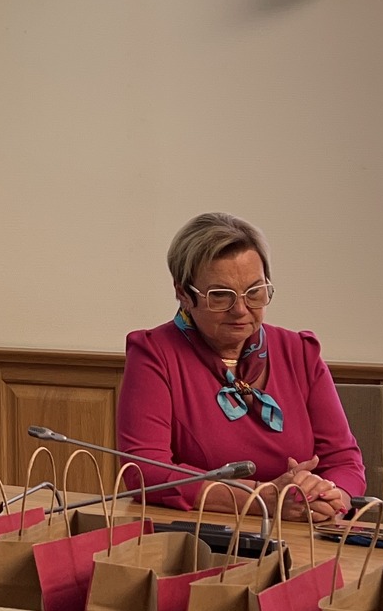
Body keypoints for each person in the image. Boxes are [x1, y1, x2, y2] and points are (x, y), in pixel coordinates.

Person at [117, 213, 364, 521]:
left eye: (254, 292)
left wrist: (327, 498)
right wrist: (262, 499)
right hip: (202, 536)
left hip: (304, 531)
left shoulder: (300, 352)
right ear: (183, 293)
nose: (241, 310)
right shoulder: (155, 353)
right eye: (221, 296)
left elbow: (344, 462)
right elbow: (144, 471)